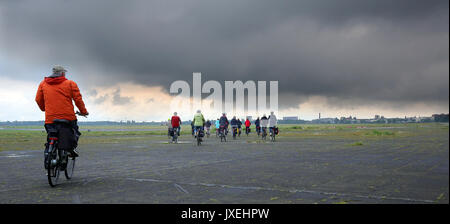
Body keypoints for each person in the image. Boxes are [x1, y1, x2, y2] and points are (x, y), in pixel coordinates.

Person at [35, 65, 88, 169]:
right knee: (74, 132)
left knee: (51, 135)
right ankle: (70, 149)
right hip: (68, 118)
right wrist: (83, 111)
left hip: (50, 119)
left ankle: (50, 152)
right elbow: (78, 99)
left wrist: (44, 109)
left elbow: (38, 99)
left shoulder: (43, 84)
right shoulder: (70, 84)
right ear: (63, 73)